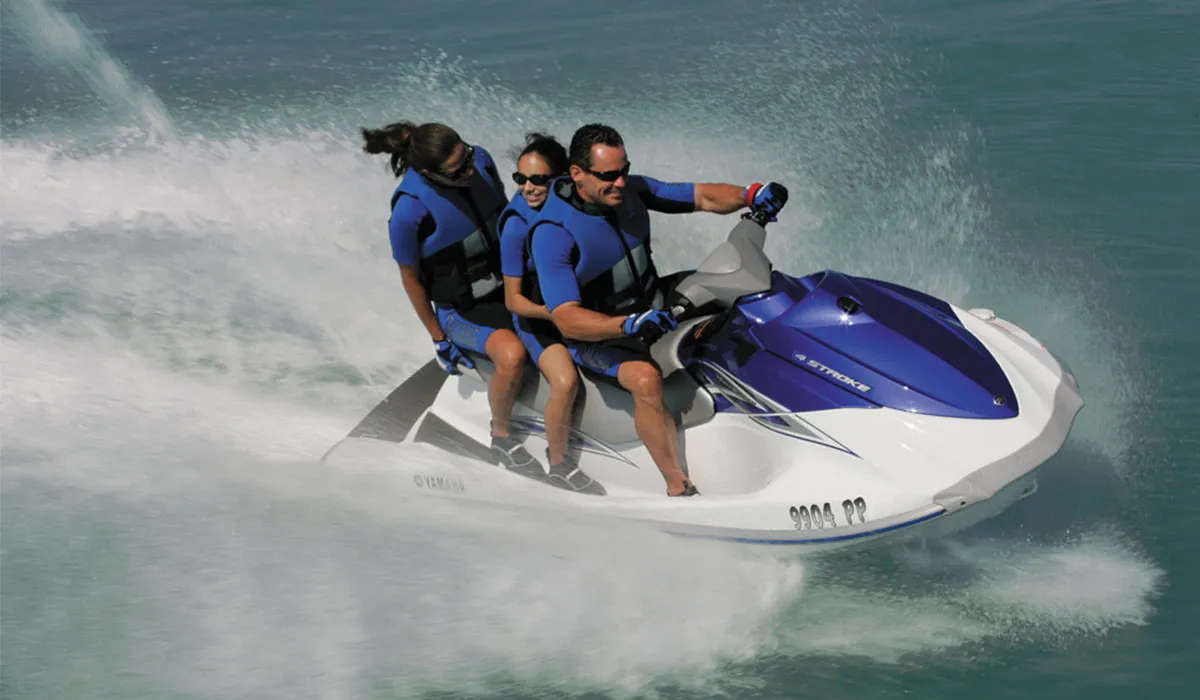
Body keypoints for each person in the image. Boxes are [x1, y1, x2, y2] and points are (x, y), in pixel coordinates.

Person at [529, 123, 787, 497]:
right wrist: (628, 325)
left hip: (654, 303)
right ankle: (676, 484)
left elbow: (702, 197)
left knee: (739, 289)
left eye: (624, 171)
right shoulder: (553, 232)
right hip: (600, 333)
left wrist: (750, 195)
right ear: (577, 174)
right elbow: (567, 318)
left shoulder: (631, 191)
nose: (620, 182)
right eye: (608, 176)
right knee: (646, 380)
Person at [361, 120, 540, 477]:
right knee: (512, 355)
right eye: (458, 170)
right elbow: (411, 279)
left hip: (511, 285)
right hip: (462, 309)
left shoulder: (481, 161)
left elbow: (509, 220)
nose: (470, 170)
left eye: (467, 157)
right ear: (429, 174)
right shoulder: (409, 212)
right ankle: (502, 437)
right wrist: (438, 337)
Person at [498, 132, 604, 495]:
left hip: (578, 306)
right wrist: (555, 313)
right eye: (520, 179)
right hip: (537, 316)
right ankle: (559, 465)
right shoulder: (516, 226)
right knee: (565, 381)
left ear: (562, 178)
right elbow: (513, 300)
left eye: (538, 180)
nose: (528, 188)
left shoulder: (579, 205)